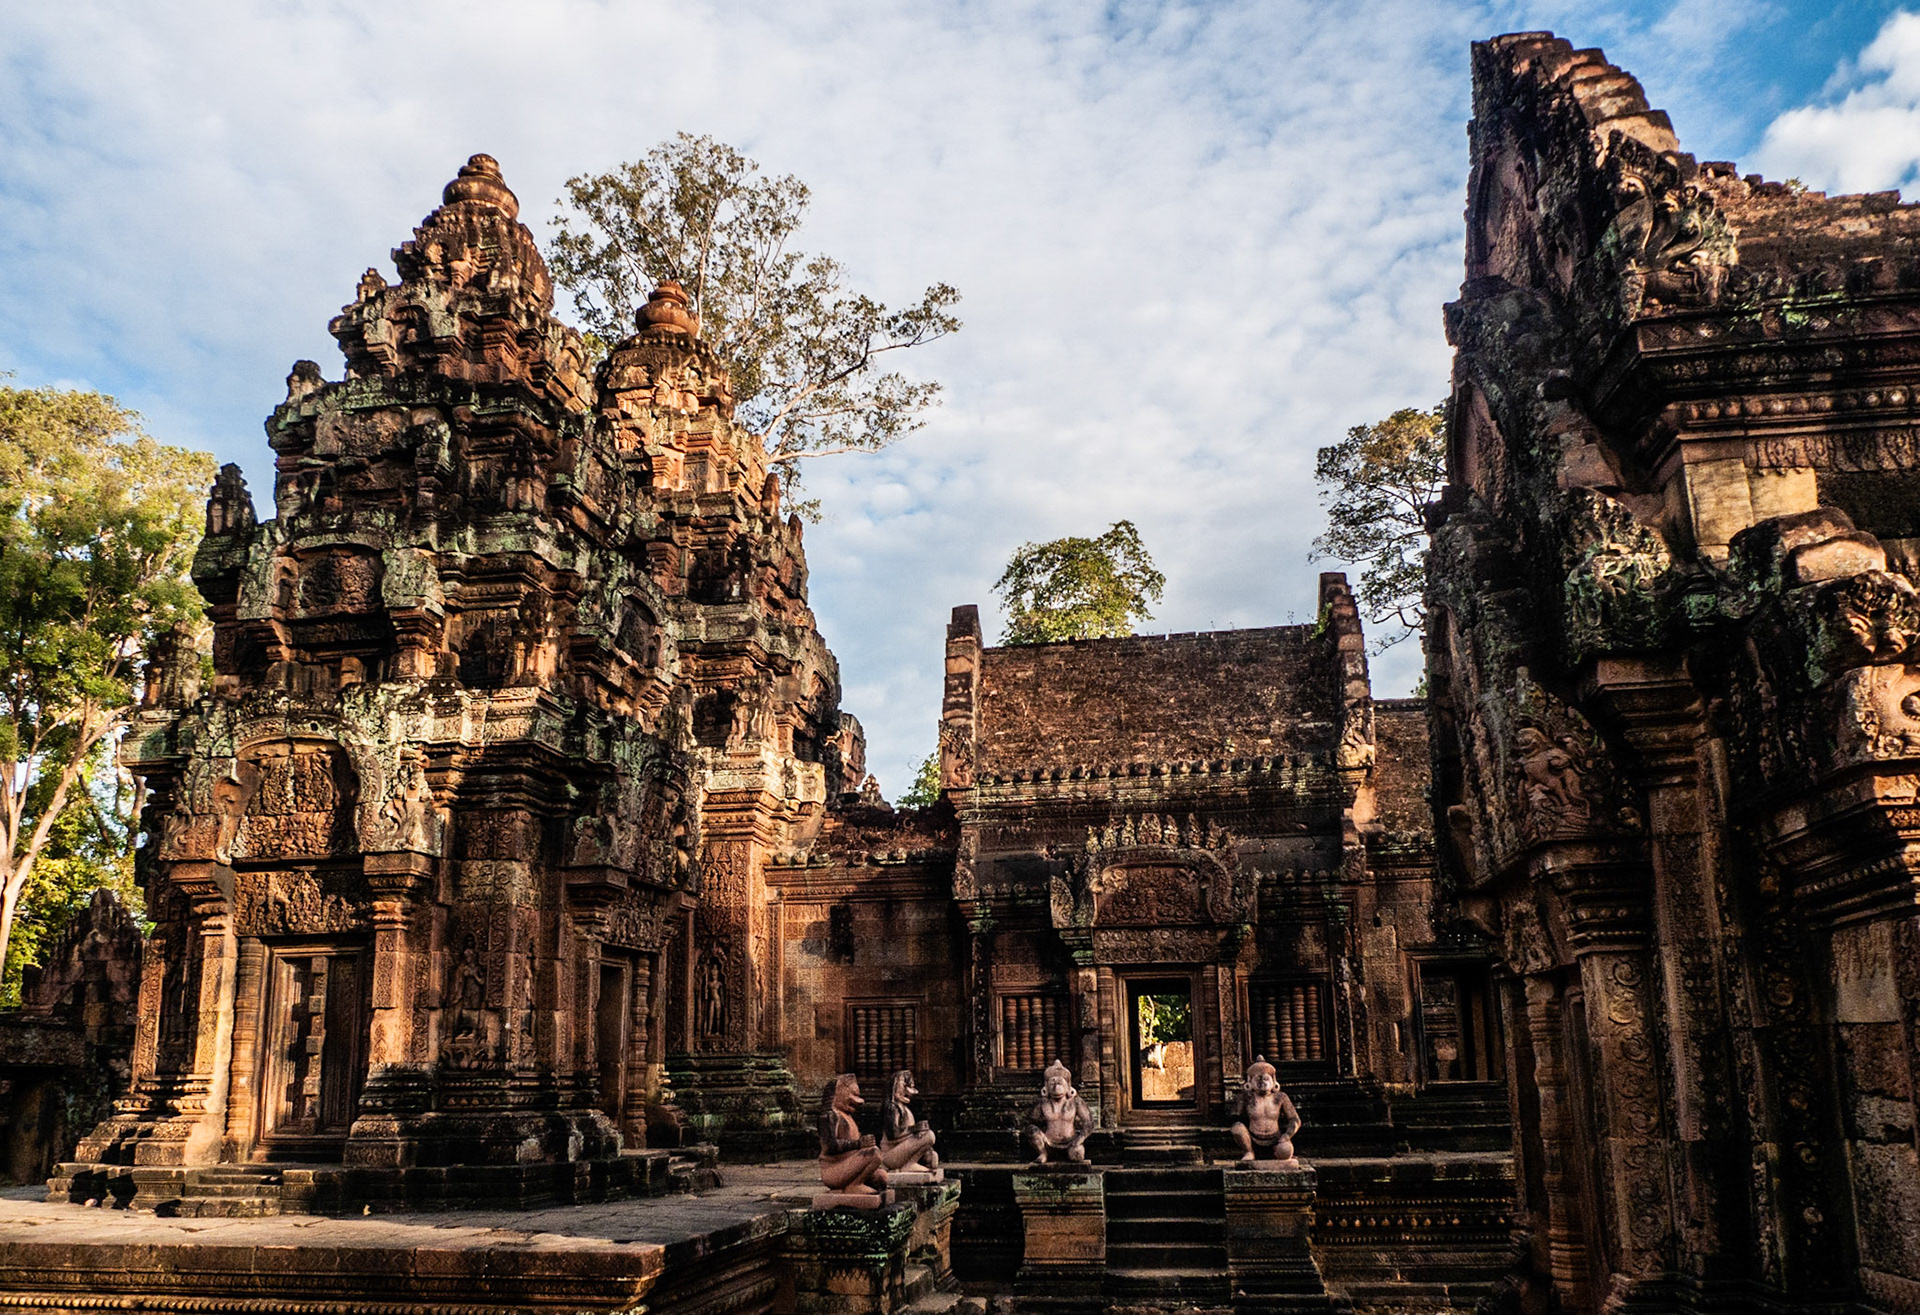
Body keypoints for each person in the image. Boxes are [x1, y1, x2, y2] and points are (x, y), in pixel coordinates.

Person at [818, 1074, 889, 1195]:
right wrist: (858, 1144)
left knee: (882, 1177)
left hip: (850, 1166)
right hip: (834, 1170)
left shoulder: (847, 1116)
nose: (856, 1104)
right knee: (875, 1153)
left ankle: (856, 1182)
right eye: (851, 1096)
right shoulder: (829, 1116)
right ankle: (854, 1185)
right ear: (839, 1093)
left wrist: (863, 1143)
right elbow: (830, 1146)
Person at [1229, 1055, 1301, 1163]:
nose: (1263, 1082)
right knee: (1236, 1128)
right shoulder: (1246, 1097)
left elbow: (1295, 1120)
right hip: (1252, 1139)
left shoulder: (1280, 1097)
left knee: (1286, 1151)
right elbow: (1234, 1117)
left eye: (1266, 1078)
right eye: (1258, 1079)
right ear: (1250, 1082)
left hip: (1276, 1140)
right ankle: (1249, 1152)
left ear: (1273, 1081)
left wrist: (1286, 1136)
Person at [1024, 1060, 1093, 1164]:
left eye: (1060, 1083)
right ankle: (1042, 1153)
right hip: (1047, 1143)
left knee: (1077, 1155)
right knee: (1031, 1130)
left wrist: (1078, 1140)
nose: (1056, 1087)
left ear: (1068, 1086)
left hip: (1071, 1142)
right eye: (1052, 1083)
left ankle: (1073, 1149)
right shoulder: (1043, 1102)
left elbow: (1089, 1123)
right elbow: (1031, 1121)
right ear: (1046, 1086)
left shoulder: (1076, 1101)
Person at [879, 1069, 939, 1173]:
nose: (908, 1095)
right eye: (903, 1086)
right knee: (930, 1136)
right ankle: (909, 1165)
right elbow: (893, 1134)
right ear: (894, 1088)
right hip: (891, 1155)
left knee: (933, 1158)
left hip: (902, 1151)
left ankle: (911, 1163)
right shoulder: (892, 1107)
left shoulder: (904, 1109)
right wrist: (915, 1129)